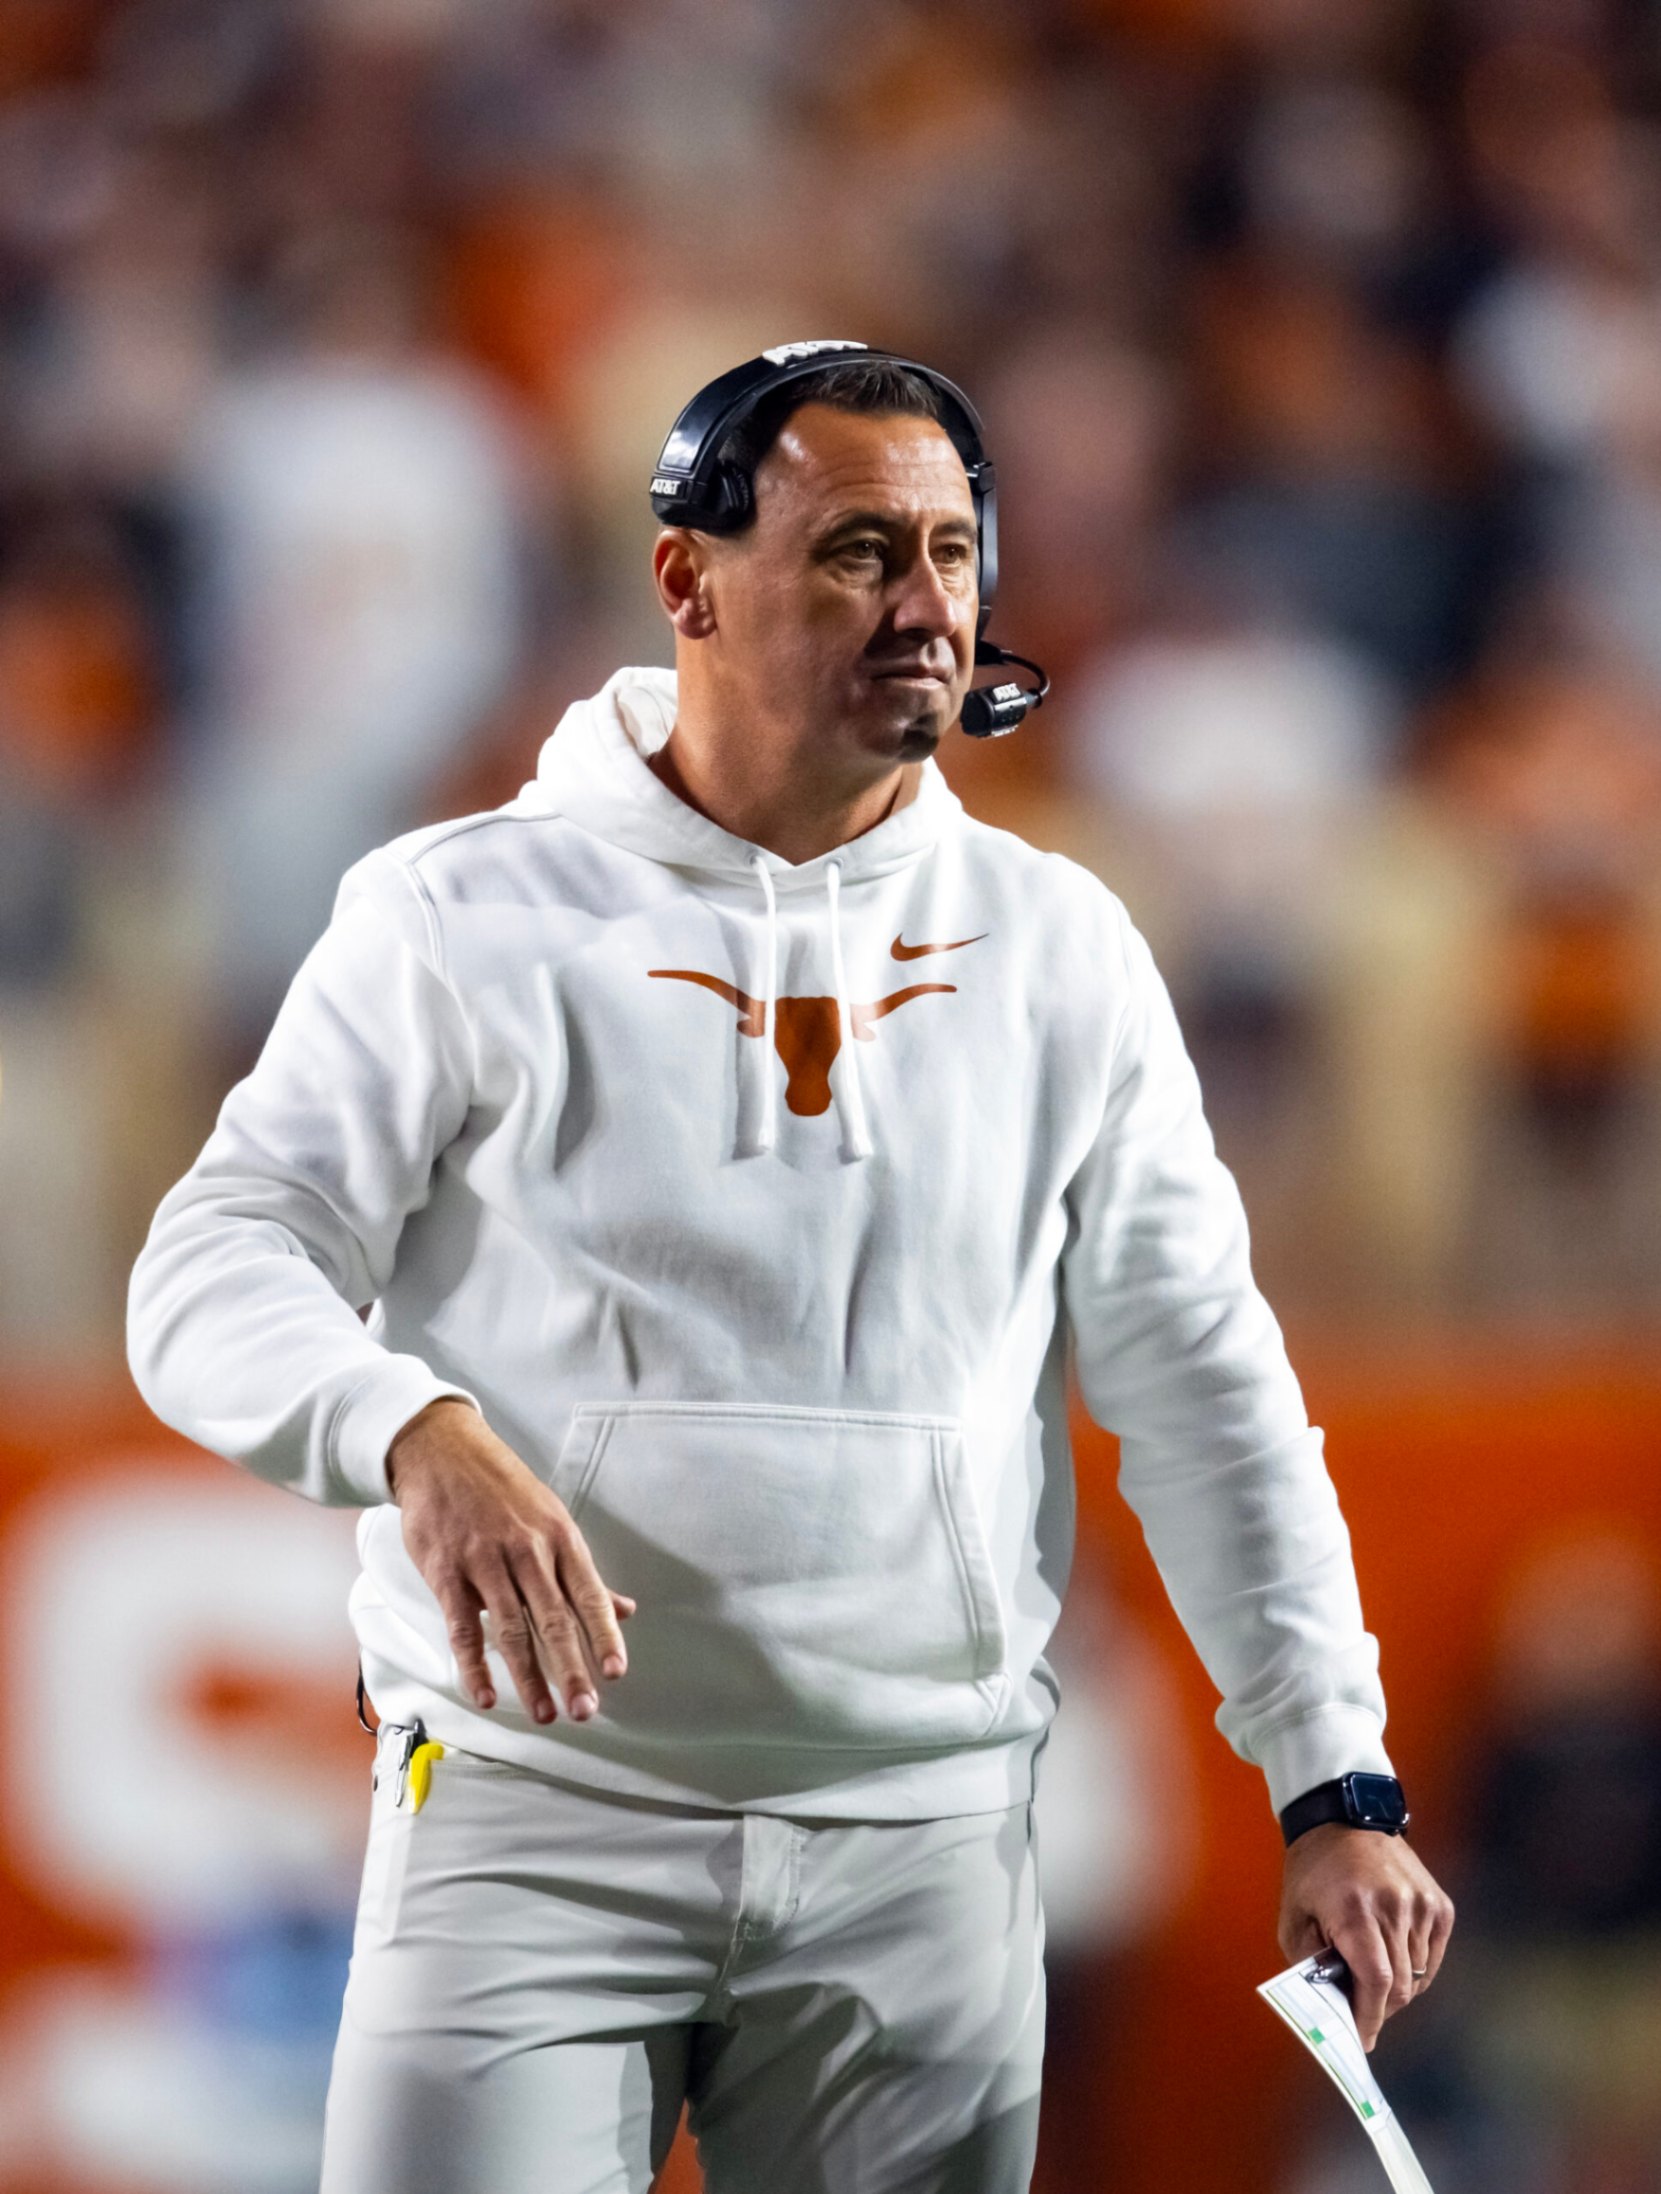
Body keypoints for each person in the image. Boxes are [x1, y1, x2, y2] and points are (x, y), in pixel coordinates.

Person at [127, 344, 1453, 2194]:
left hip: (924, 1836)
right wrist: (406, 1427)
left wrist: (1333, 1775)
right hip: (532, 1813)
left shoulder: (1058, 947)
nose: (925, 604)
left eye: (951, 551)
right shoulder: (459, 914)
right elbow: (212, 1260)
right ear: (686, 578)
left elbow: (1206, 1388)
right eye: (855, 552)